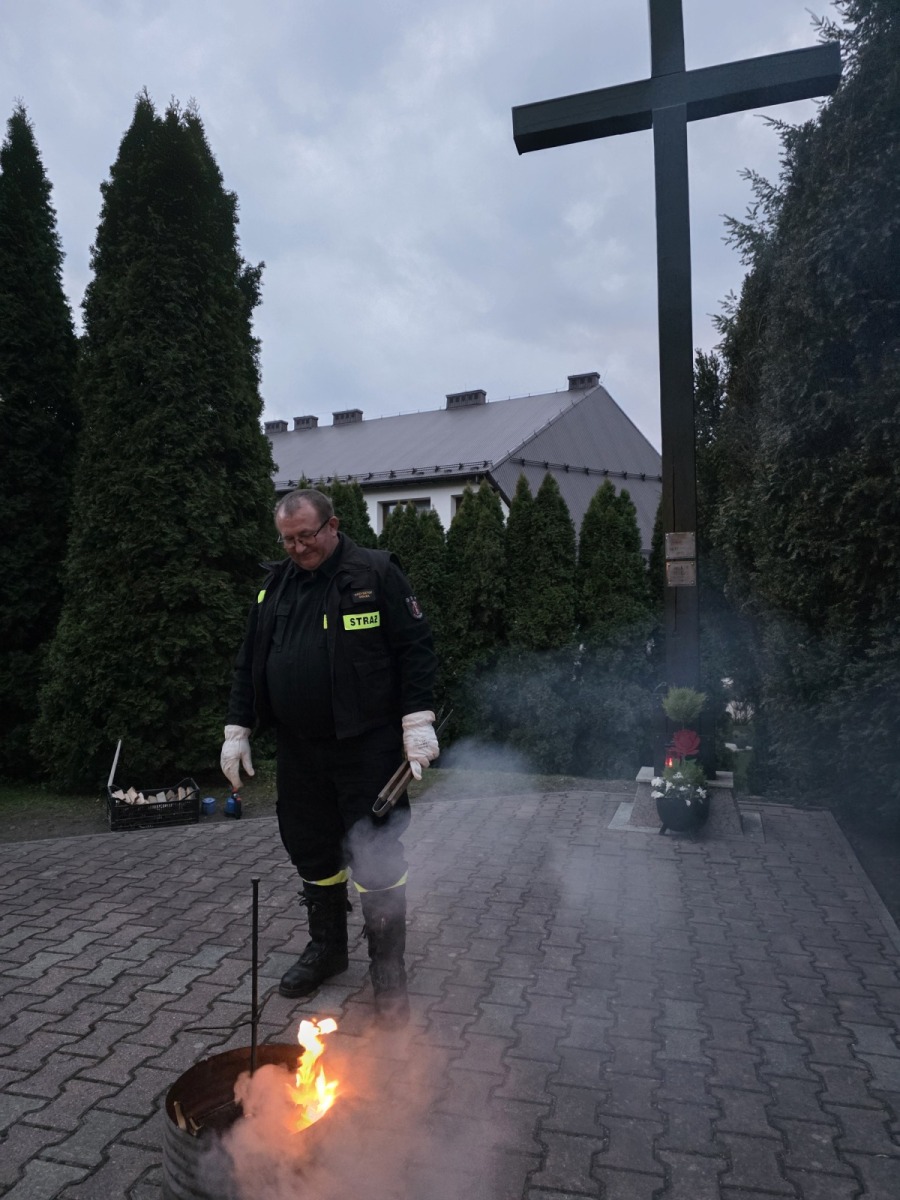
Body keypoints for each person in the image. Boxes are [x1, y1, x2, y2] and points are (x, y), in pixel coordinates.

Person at [221, 488, 439, 1029]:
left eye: (306, 536)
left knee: (376, 850)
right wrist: (237, 728)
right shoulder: (274, 586)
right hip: (299, 748)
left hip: (367, 745)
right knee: (311, 848)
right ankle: (327, 949)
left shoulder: (376, 574)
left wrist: (417, 722)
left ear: (333, 525)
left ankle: (387, 967)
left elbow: (416, 649)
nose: (297, 548)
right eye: (287, 540)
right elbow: (250, 660)